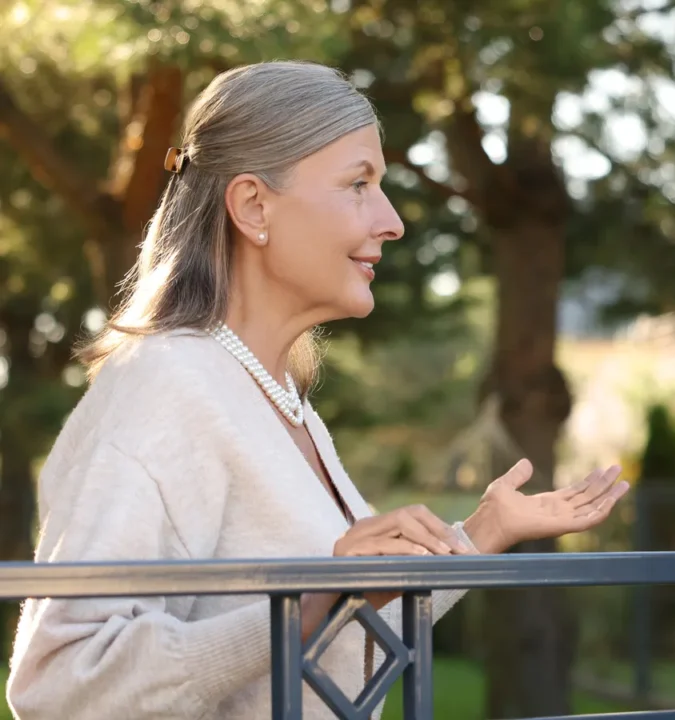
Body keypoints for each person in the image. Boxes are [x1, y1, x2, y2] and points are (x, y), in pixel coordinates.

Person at [5, 60, 629, 720]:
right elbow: (61, 682)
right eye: (359, 184)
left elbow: (343, 631)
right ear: (253, 205)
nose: (392, 221)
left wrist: (480, 533)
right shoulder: (165, 384)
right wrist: (307, 602)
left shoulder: (277, 398)